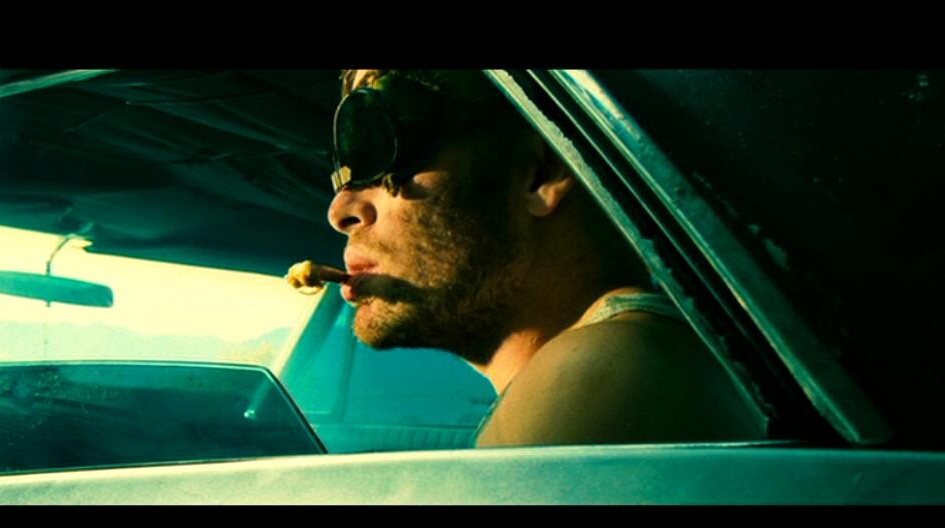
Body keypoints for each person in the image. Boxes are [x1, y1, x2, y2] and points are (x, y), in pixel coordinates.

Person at [326, 69, 763, 447]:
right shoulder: (636, 356)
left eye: (374, 140)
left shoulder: (597, 372)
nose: (340, 210)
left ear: (541, 174)